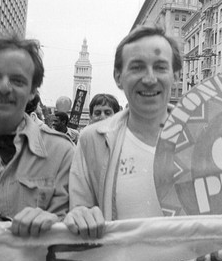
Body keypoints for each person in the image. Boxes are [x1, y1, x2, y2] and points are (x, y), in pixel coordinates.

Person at [64, 24, 182, 238]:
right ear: (119, 77)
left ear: (175, 75)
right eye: (137, 67)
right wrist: (80, 215)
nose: (149, 79)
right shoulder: (92, 140)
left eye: (160, 67)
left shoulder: (203, 135)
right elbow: (79, 209)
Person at [0, 34, 74, 236]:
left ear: (33, 91)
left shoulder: (62, 154)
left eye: (17, 80)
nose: (4, 87)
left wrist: (57, 224)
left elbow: (73, 237)